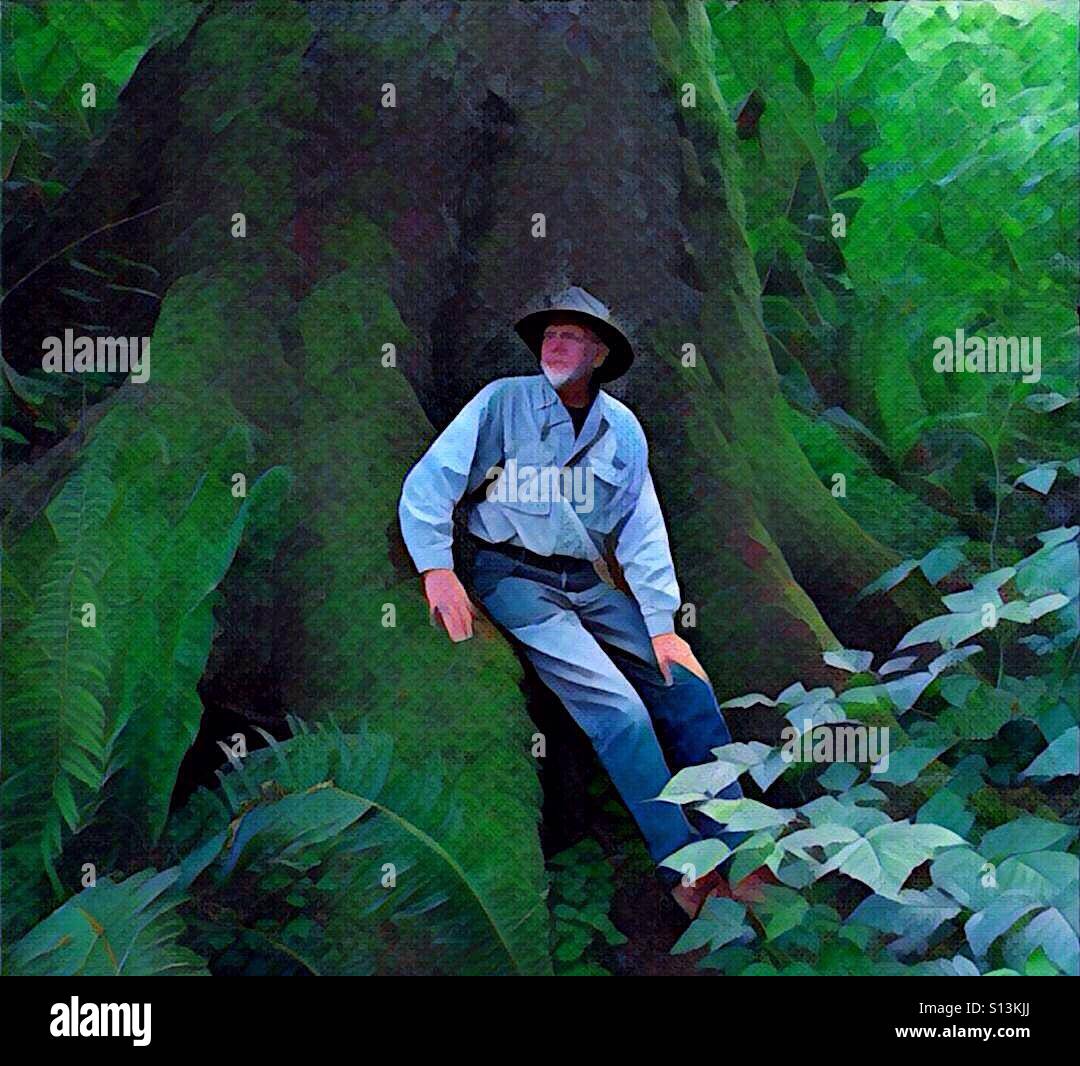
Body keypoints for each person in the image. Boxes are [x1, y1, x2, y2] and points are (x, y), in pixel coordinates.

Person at [398, 284, 773, 918]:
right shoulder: (503, 403)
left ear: (598, 353)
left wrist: (661, 625)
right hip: (513, 579)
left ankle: (738, 843)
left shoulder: (621, 430)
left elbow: (641, 528)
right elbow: (432, 480)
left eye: (571, 336)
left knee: (684, 686)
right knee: (621, 713)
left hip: (589, 582)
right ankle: (685, 866)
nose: (555, 345)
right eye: (549, 335)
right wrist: (436, 568)